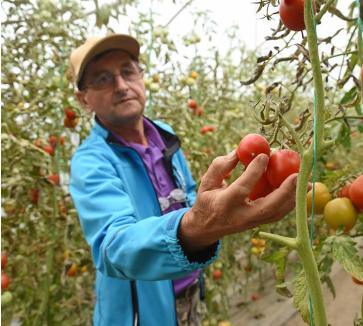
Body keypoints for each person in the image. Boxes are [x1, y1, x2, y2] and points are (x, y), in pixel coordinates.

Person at [69, 34, 298, 326]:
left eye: (127, 71)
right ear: (83, 99)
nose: (121, 85)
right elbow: (113, 247)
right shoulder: (91, 161)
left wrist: (217, 201)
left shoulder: (164, 135)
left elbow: (186, 194)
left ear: (141, 75)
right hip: (140, 315)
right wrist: (199, 224)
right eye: (102, 79)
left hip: (190, 295)